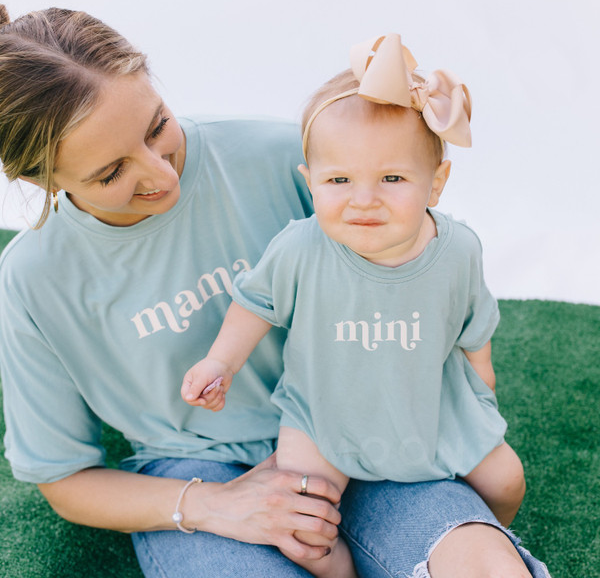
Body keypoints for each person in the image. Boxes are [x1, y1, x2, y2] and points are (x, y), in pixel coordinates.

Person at [0, 6, 550, 578]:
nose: (161, 176)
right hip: (201, 472)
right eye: (111, 173)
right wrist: (215, 506)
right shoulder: (33, 280)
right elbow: (65, 478)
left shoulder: (286, 156)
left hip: (362, 428)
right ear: (40, 179)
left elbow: (422, 265)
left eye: (157, 127)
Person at [182, 34, 527, 577]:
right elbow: (253, 306)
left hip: (430, 411)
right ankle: (340, 568)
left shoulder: (457, 249)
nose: (363, 198)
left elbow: (472, 326)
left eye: (392, 178)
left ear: (436, 182)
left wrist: (482, 389)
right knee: (302, 520)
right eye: (339, 180)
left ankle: (485, 529)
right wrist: (218, 362)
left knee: (507, 478)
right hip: (323, 416)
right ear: (310, 183)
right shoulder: (299, 248)